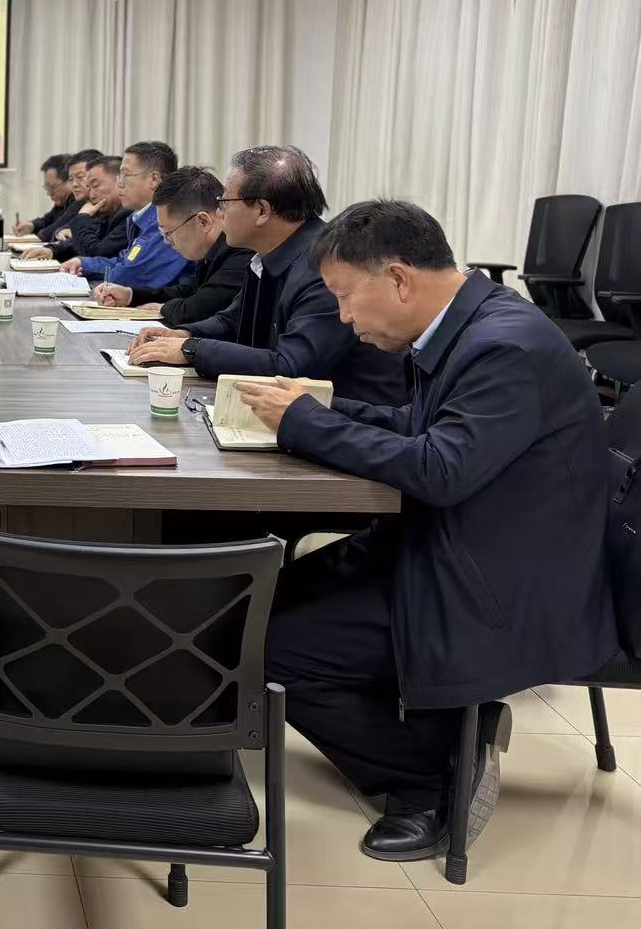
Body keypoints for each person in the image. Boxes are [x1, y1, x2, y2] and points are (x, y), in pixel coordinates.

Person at [237, 201, 617, 862]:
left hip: (497, 578)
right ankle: (439, 729)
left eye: (345, 297)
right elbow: (421, 427)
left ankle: (431, 779)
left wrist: (306, 423)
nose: (343, 317)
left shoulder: (503, 346)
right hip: (460, 539)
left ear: (397, 279)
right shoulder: (471, 322)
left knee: (271, 647)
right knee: (266, 598)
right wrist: (317, 407)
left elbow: (440, 470)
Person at [128, 147, 405, 406]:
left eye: (225, 202)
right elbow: (232, 320)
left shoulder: (323, 265)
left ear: (261, 210)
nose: (220, 212)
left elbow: (291, 366)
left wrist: (191, 349)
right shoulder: (267, 255)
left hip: (351, 416)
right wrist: (185, 333)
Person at [95, 166, 246, 327]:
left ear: (203, 222)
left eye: (167, 232)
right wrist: (130, 295)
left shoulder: (241, 252)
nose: (167, 241)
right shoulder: (211, 251)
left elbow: (196, 310)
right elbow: (186, 291)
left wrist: (163, 308)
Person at [64, 141, 187, 291]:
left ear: (154, 179)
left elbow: (128, 275)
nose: (119, 184)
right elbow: (125, 262)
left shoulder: (168, 220)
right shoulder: (139, 217)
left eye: (125, 175)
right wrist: (83, 263)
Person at [22, 155, 128, 262]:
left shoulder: (126, 215)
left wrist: (82, 218)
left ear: (120, 181)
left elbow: (95, 254)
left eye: (95, 185)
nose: (91, 195)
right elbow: (83, 242)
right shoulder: (102, 210)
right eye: (89, 188)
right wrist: (52, 251)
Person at [14, 154, 80, 237]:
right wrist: (31, 226)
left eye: (52, 187)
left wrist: (40, 234)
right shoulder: (62, 202)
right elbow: (47, 220)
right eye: (47, 188)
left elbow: (52, 231)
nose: (49, 193)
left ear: (69, 181)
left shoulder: (79, 200)